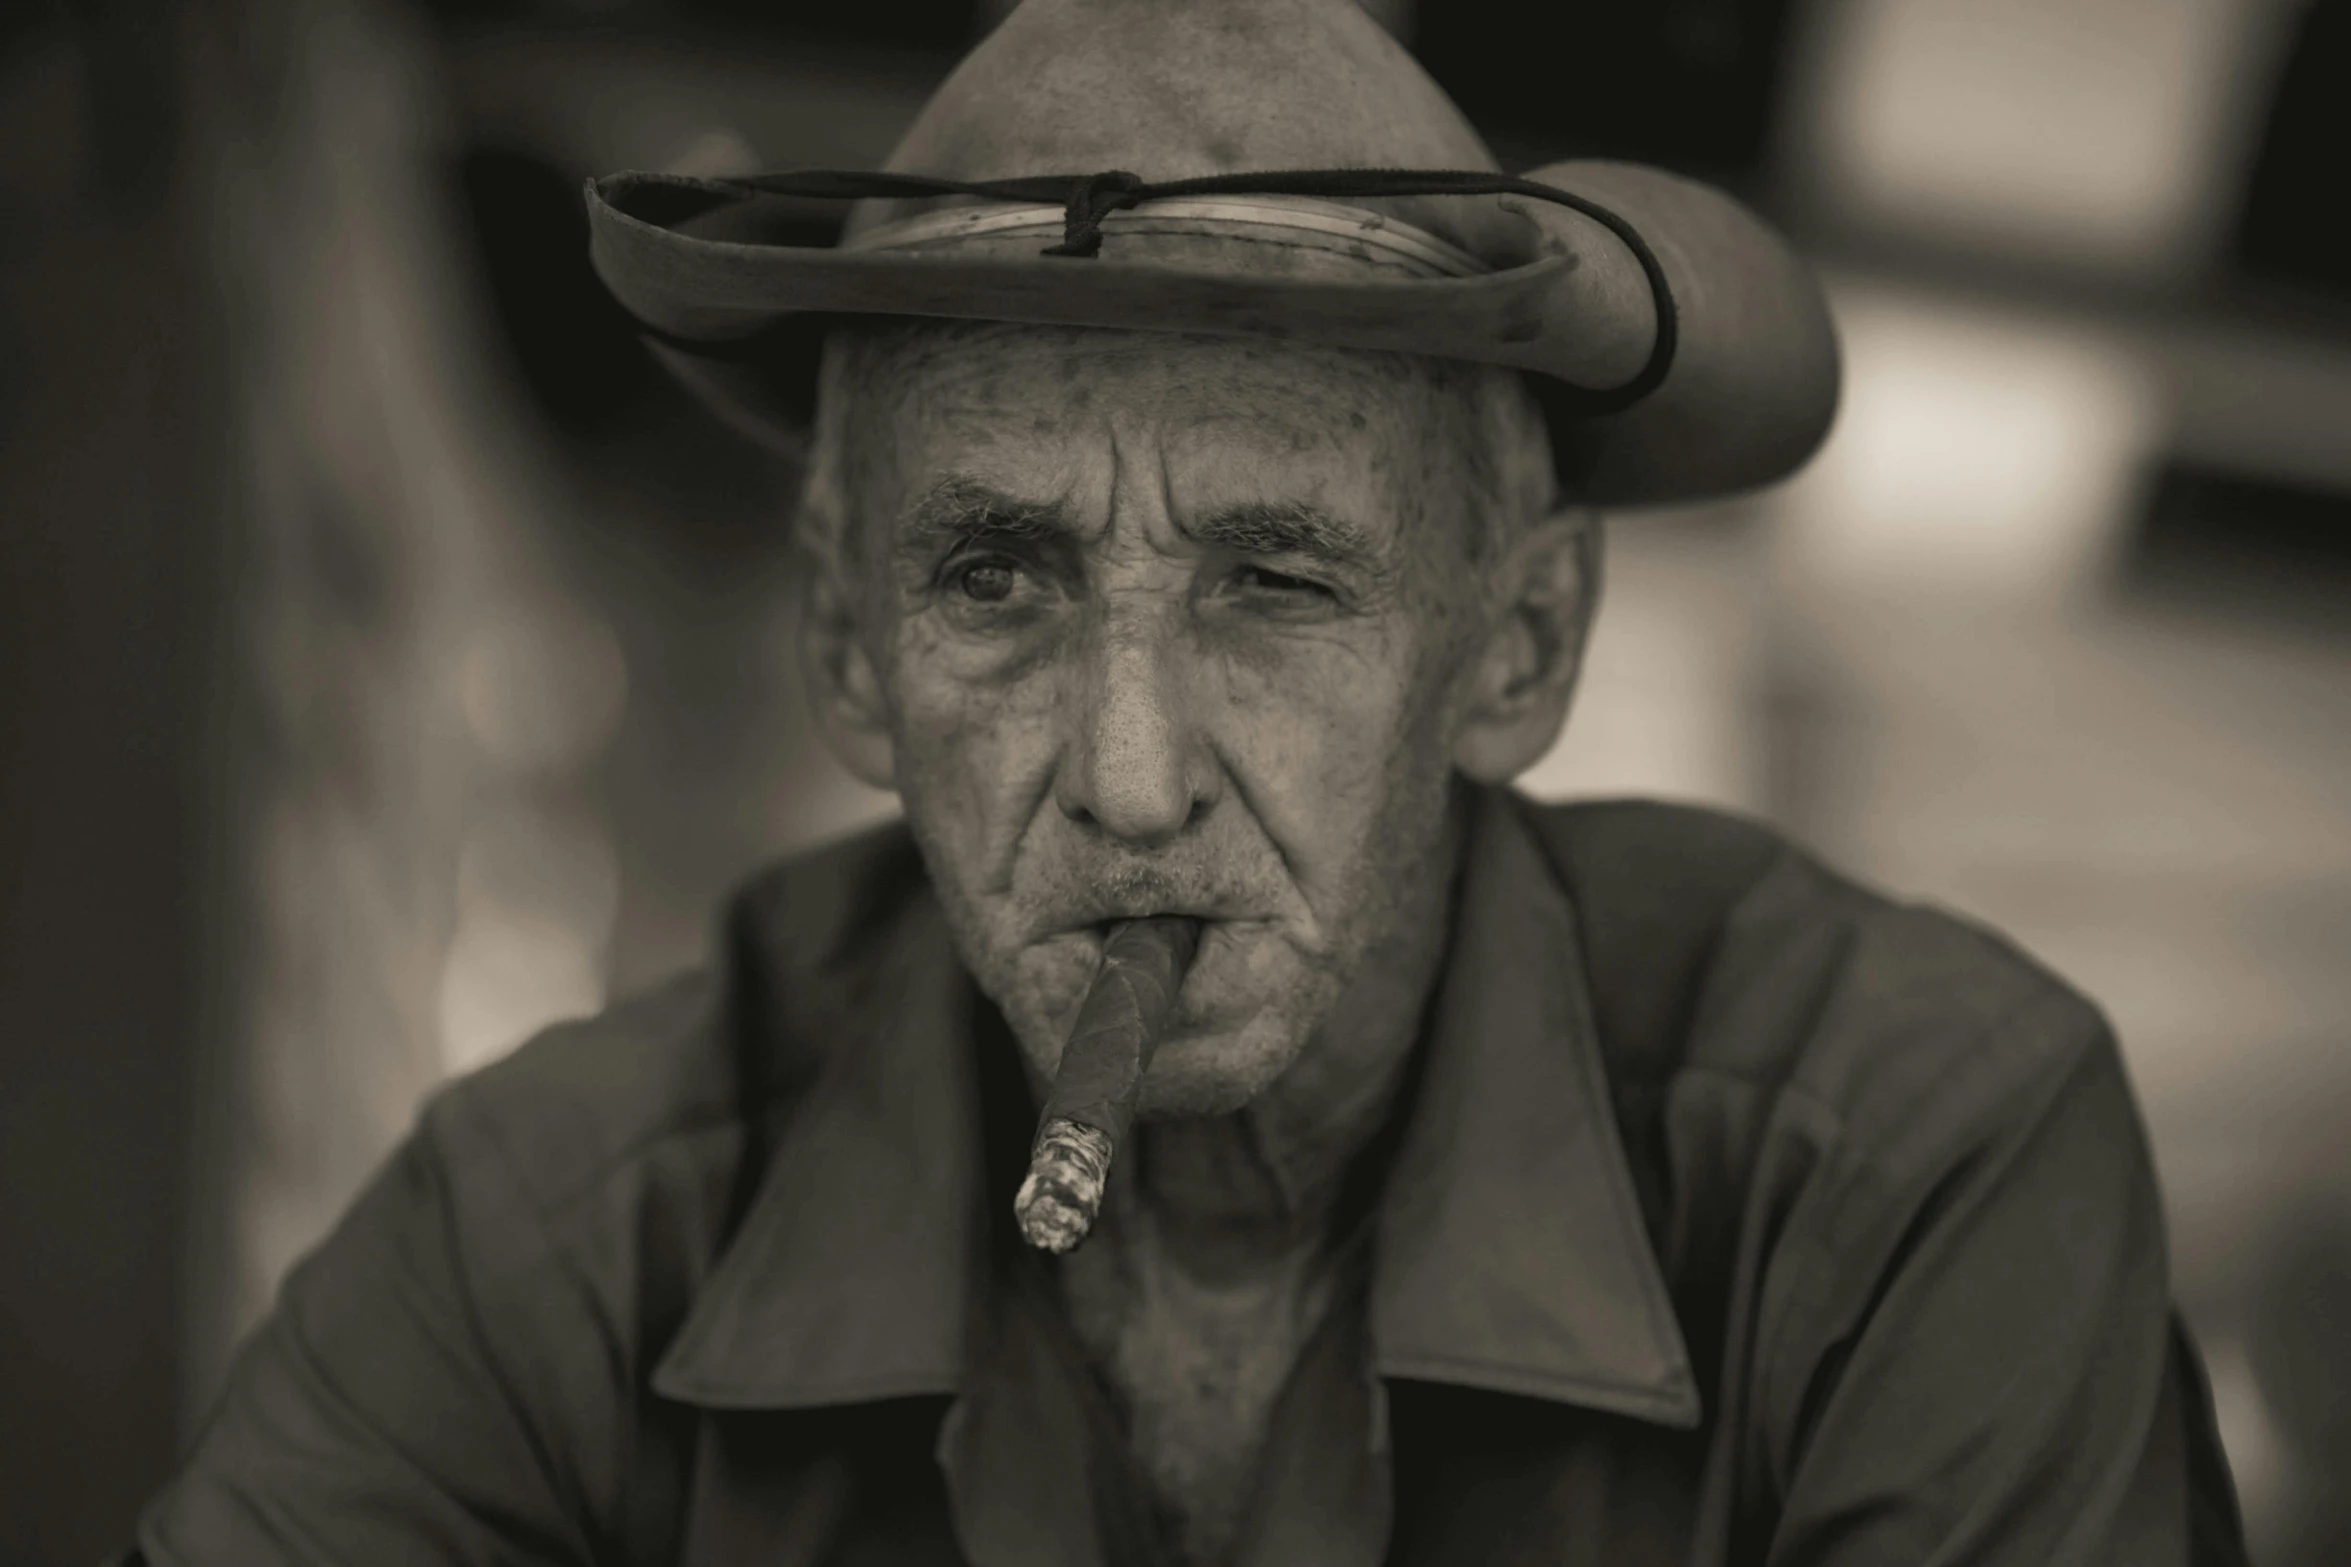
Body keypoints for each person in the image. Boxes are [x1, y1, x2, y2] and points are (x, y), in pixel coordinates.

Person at [126, 0, 2250, 1562]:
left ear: (1513, 647)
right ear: (850, 650)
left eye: (1272, 583)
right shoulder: (553, 1229)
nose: (1127, 785)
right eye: (992, 577)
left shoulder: (1906, 1164)